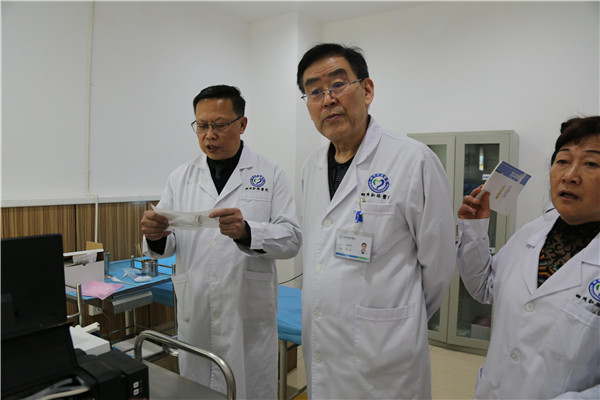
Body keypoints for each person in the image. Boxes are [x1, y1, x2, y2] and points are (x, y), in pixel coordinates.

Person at [296, 43, 456, 399]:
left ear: (366, 90)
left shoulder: (413, 160)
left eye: (338, 84)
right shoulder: (311, 167)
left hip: (386, 352)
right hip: (324, 342)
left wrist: (399, 318)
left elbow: (439, 266)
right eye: (314, 91)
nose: (328, 99)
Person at [141, 85, 301, 399]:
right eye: (202, 126)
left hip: (247, 313)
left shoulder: (270, 174)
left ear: (242, 124)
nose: (209, 135)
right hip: (197, 312)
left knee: (248, 387)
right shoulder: (180, 178)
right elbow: (168, 243)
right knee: (197, 390)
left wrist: (247, 232)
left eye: (219, 125)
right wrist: (155, 236)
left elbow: (291, 239)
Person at [457, 116, 600, 399]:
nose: (570, 175)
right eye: (562, 161)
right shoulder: (532, 233)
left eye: (592, 164)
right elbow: (484, 288)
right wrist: (476, 230)